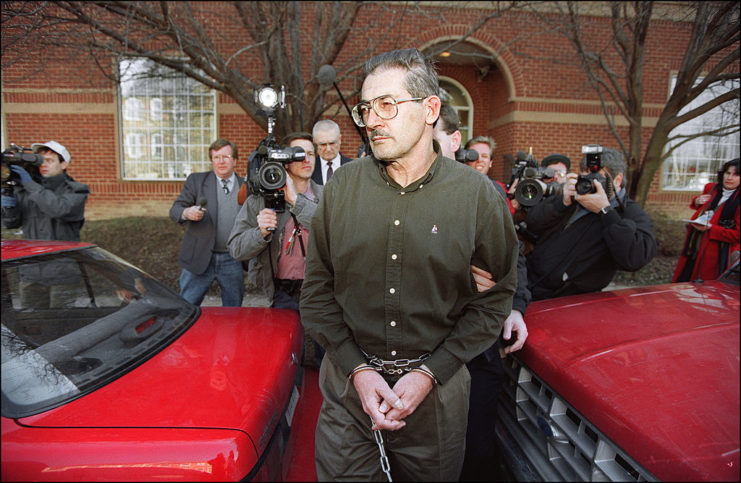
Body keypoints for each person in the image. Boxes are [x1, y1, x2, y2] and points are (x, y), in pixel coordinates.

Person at [300, 48, 518, 481]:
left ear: (429, 109)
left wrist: (428, 375)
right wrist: (359, 372)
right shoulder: (341, 189)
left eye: (387, 105)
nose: (373, 119)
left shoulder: (477, 197)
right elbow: (316, 295)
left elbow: (495, 301)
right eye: (366, 108)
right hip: (348, 391)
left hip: (436, 398)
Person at [434, 104, 529, 480]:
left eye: (432, 141)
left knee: (476, 445)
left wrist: (515, 306)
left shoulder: (487, 193)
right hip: (419, 349)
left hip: (478, 350)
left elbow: (512, 259)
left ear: (455, 141)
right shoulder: (394, 193)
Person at [227, 132, 325, 365]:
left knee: (326, 361)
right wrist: (259, 233)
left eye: (311, 153)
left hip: (322, 292)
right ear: (284, 160)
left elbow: (336, 230)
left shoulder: (328, 195)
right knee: (287, 361)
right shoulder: (260, 201)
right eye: (299, 154)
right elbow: (235, 248)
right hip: (282, 293)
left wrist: (295, 201)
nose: (306, 159)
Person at [525, 146, 657, 300]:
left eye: (598, 176)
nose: (590, 181)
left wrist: (605, 212)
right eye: (586, 174)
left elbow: (635, 258)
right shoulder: (573, 199)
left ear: (617, 180)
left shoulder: (628, 212)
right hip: (529, 285)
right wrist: (561, 203)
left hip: (569, 301)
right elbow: (533, 224)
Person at [169, 139, 245, 307]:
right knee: (187, 307)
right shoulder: (197, 181)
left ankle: (230, 334)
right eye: (216, 157)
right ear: (211, 160)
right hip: (200, 256)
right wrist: (187, 212)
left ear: (235, 160)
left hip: (233, 259)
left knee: (233, 310)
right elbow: (175, 210)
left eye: (226, 156)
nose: (221, 161)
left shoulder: (245, 186)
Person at [1, 140, 89, 241]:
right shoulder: (27, 190)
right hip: (34, 254)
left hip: (63, 255)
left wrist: (30, 185)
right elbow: (10, 224)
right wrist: (9, 206)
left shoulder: (77, 190)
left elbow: (59, 210)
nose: (43, 165)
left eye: (49, 161)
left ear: (63, 165)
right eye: (41, 161)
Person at [673, 158, 740, 282]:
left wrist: (711, 229)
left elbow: (738, 235)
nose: (730, 178)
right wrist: (697, 201)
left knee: (707, 290)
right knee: (685, 283)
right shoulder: (712, 188)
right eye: (728, 173)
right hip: (694, 246)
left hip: (717, 255)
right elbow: (703, 206)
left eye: (736, 175)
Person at [465, 135, 515, 215]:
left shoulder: (497, 189)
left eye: (484, 156)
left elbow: (505, 223)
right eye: (474, 155)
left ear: (490, 162)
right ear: (465, 159)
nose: (479, 160)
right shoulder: (456, 186)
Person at [310, 119, 353, 185]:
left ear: (340, 140)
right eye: (323, 144)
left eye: (332, 143)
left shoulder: (353, 167)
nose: (328, 149)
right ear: (314, 142)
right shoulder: (309, 168)